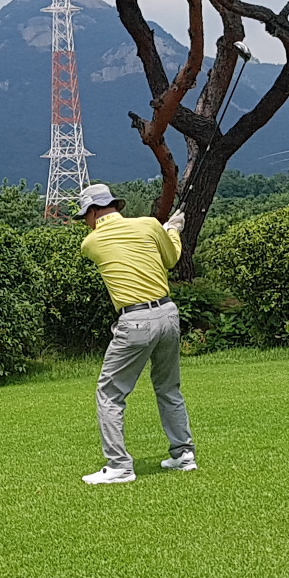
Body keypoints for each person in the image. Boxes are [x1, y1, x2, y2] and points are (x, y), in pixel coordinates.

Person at [74, 183, 194, 483]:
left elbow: (121, 247)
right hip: (168, 314)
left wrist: (164, 230)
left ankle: (119, 466)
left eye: (85, 216)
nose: (85, 222)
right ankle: (183, 454)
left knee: (110, 393)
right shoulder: (149, 225)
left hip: (135, 320)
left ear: (93, 211)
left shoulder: (91, 242)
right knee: (168, 388)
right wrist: (172, 230)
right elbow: (170, 259)